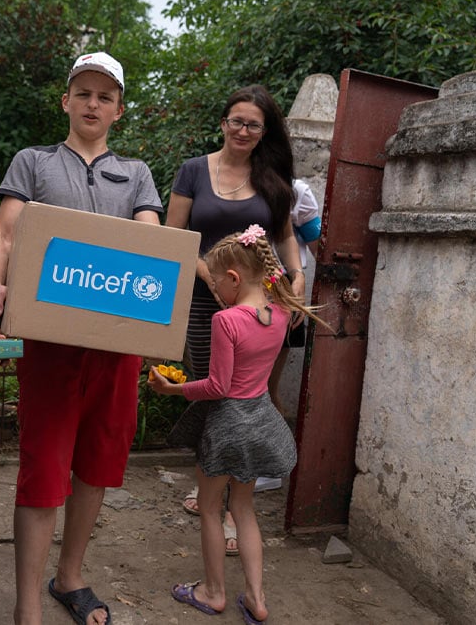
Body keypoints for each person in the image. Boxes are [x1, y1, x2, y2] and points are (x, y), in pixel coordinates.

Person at [0, 51, 163, 625]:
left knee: (97, 464)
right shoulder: (33, 162)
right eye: (83, 92)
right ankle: (27, 607)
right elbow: (4, 235)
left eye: (105, 96)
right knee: (43, 468)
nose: (92, 103)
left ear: (119, 111)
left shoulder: (136, 174)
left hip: (115, 348)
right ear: (66, 100)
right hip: (50, 346)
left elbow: (151, 249)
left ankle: (70, 577)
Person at [148, 224, 327, 623]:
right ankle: (257, 598)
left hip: (227, 425)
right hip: (259, 419)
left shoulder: (226, 320)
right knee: (243, 509)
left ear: (233, 278)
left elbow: (218, 386)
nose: (215, 290)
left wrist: (172, 389)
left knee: (210, 508)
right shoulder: (281, 312)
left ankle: (213, 592)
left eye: (216, 283)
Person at [165, 84, 304, 555]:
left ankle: (231, 504)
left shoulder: (273, 179)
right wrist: (206, 274)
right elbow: (174, 236)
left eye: (254, 125)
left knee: (249, 394)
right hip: (204, 298)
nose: (243, 131)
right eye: (237, 121)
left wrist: (298, 275)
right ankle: (212, 480)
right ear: (223, 123)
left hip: (263, 302)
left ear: (264, 132)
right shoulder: (193, 171)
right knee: (213, 390)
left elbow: (285, 237)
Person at [266, 178, 322, 417]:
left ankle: (279, 440)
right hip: (233, 285)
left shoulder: (295, 190)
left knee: (266, 390)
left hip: (280, 288)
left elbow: (321, 249)